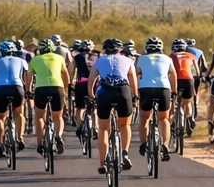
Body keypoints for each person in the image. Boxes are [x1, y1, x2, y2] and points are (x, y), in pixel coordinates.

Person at [92, 38, 136, 174]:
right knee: (125, 125)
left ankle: (102, 162)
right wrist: (135, 96)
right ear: (120, 49)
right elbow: (133, 78)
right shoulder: (128, 60)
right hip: (123, 90)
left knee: (103, 128)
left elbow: (91, 80)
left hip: (105, 91)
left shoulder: (99, 61)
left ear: (105, 50)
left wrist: (91, 96)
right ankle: (124, 152)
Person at [134, 37, 176, 161]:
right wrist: (173, 92)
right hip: (163, 89)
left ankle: (143, 144)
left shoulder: (141, 58)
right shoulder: (168, 59)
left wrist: (135, 92)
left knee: (144, 117)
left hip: (146, 89)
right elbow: (173, 74)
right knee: (163, 118)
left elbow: (136, 74)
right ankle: (165, 146)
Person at [27, 34, 70, 155]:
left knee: (40, 117)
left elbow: (29, 77)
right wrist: (66, 88)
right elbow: (66, 75)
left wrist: (28, 90)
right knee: (58, 116)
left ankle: (40, 144)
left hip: (41, 89)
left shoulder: (35, 59)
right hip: (57, 88)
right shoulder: (59, 58)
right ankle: (58, 136)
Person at [0, 40, 29, 157]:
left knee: (0, 117)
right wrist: (26, 90)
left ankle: (2, 144)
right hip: (17, 88)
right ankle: (20, 137)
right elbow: (25, 76)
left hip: (1, 89)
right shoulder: (22, 60)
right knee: (19, 113)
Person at [170, 39, 201, 134]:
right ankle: (189, 117)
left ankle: (172, 122)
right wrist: (194, 77)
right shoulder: (192, 56)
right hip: (188, 80)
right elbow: (197, 72)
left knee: (172, 102)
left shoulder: (170, 56)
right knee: (187, 103)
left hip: (175, 81)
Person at [70, 40, 97, 125]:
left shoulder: (77, 57)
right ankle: (95, 127)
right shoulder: (97, 57)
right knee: (94, 107)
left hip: (81, 82)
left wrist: (71, 81)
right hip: (94, 83)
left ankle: (79, 127)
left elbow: (71, 70)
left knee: (80, 108)